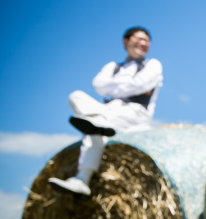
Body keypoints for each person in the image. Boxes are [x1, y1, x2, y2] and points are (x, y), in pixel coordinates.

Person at [48, 27, 163, 196]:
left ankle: (83, 177)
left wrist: (114, 88)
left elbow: (140, 84)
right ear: (126, 41)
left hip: (135, 114)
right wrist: (128, 86)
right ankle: (99, 124)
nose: (143, 43)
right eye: (138, 39)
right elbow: (99, 86)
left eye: (146, 40)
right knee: (76, 96)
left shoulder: (153, 64)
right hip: (109, 110)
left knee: (94, 124)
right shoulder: (112, 67)